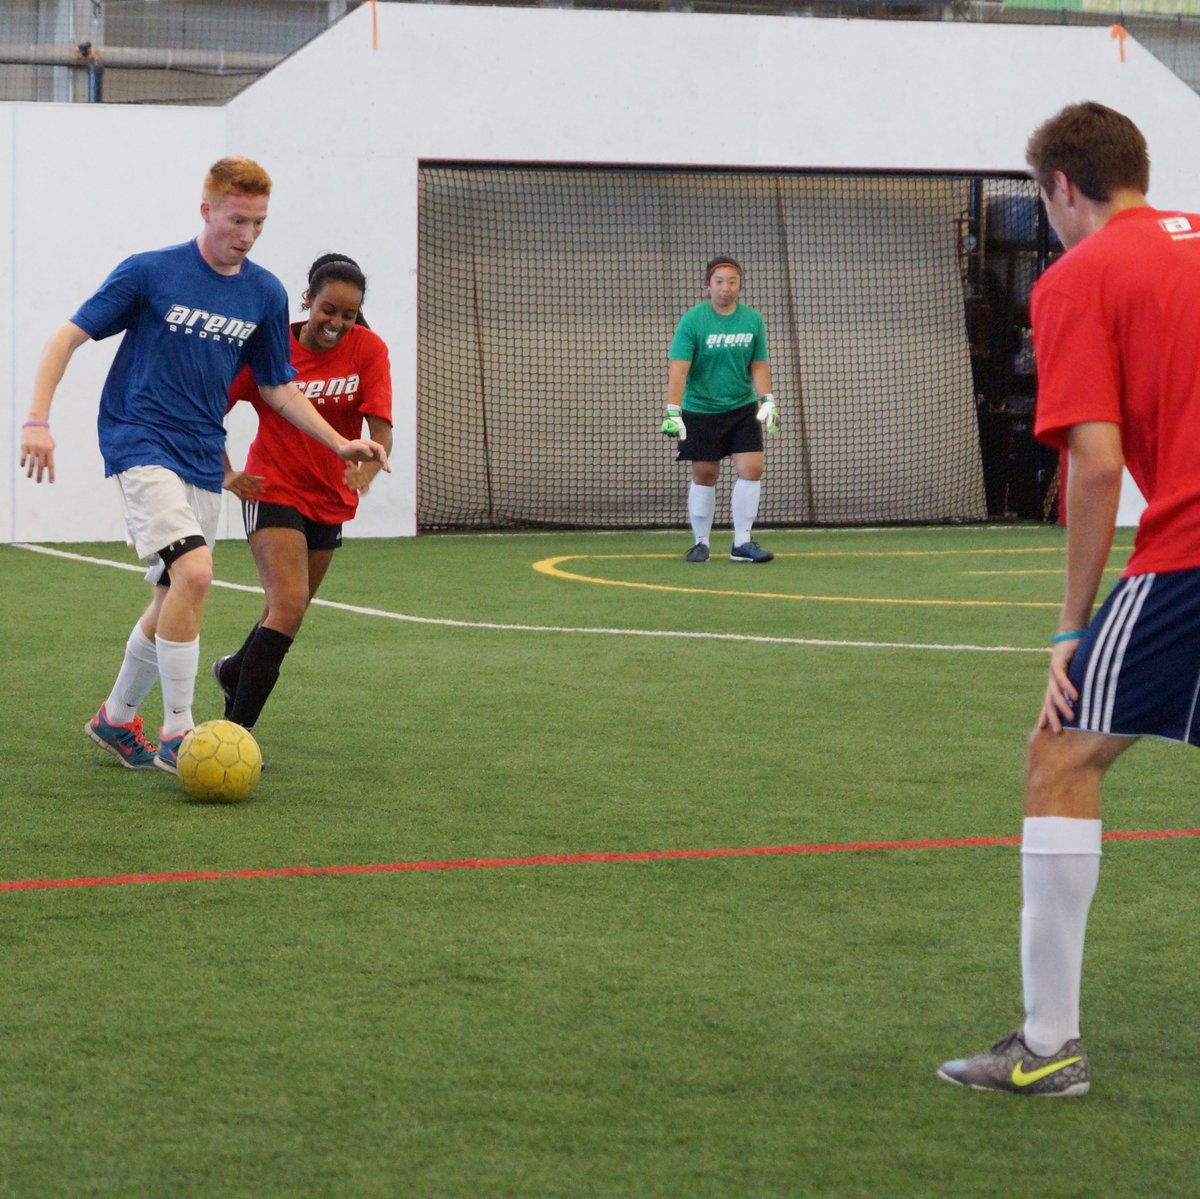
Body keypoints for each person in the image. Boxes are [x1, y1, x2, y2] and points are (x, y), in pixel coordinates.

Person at [938, 101, 1200, 1097]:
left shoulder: (1080, 275)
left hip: (1190, 550)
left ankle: (1047, 1044)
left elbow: (1095, 469)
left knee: (1062, 749)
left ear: (1059, 190)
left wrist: (1070, 626)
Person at [19, 158, 389, 775]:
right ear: (207, 211)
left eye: (259, 223)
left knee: (172, 592)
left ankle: (115, 718)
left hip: (199, 454)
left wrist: (338, 443)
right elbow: (66, 338)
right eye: (237, 219)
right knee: (194, 573)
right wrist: (37, 421)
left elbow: (278, 387)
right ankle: (180, 733)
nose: (246, 234)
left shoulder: (264, 292)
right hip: (139, 441)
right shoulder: (150, 272)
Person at [213, 253, 394, 736]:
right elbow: (209, 408)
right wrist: (227, 472)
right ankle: (236, 734)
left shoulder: (370, 350)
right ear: (308, 299)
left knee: (287, 609)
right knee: (289, 603)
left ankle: (233, 672)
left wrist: (367, 473)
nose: (336, 322)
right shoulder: (270, 348)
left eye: (348, 314)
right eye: (328, 309)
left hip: (329, 497)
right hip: (271, 487)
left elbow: (380, 429)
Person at [661, 256, 778, 564]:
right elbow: (678, 369)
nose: (725, 288)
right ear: (707, 286)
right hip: (701, 410)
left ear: (740, 285)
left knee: (752, 468)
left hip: (741, 408)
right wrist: (673, 411)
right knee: (705, 473)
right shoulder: (692, 321)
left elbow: (758, 364)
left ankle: (742, 543)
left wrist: (767, 399)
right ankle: (701, 543)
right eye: (719, 281)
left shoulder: (752, 320)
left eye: (732, 281)